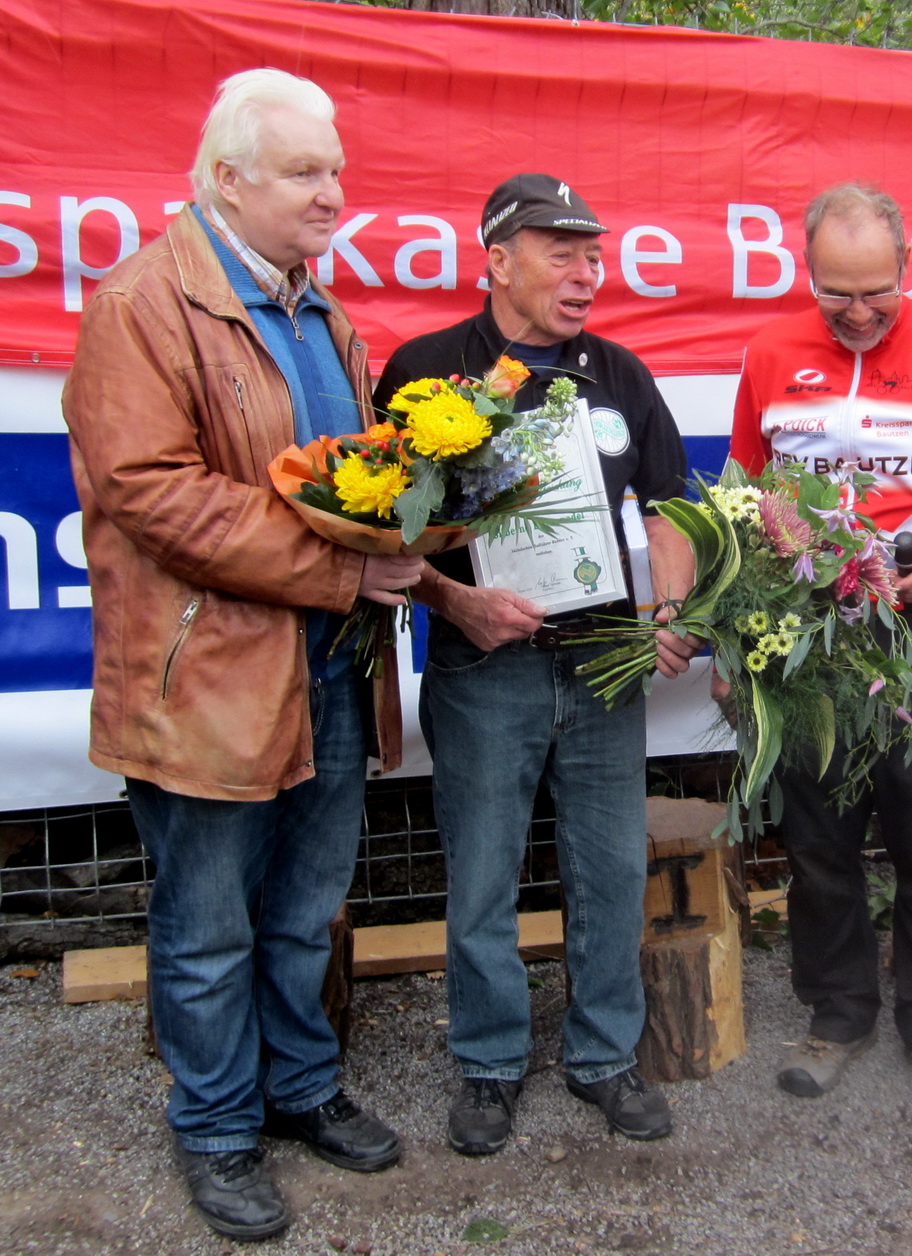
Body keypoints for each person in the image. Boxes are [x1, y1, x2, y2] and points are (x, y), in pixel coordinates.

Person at [61, 69, 417, 1240]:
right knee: (209, 922)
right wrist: (341, 572)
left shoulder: (320, 308)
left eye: (337, 170)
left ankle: (300, 1086)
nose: (335, 193)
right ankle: (216, 1125)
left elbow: (344, 476)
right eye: (309, 171)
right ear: (228, 179)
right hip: (209, 678)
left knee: (307, 906)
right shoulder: (143, 304)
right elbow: (152, 493)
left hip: (323, 665)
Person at [372, 174, 697, 1155]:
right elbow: (384, 539)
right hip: (485, 667)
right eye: (561, 251)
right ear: (497, 259)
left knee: (607, 868)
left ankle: (604, 1055)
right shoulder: (426, 373)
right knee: (480, 876)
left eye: (592, 253)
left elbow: (671, 506)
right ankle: (488, 1062)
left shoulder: (620, 376)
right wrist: (455, 601)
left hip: (603, 667)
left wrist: (670, 608)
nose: (586, 272)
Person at [726, 184, 912, 1111]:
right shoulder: (770, 354)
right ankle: (837, 1011)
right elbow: (740, 487)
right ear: (806, 274)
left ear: (909, 269)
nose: (855, 311)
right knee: (817, 833)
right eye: (834, 292)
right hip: (807, 623)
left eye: (875, 292)